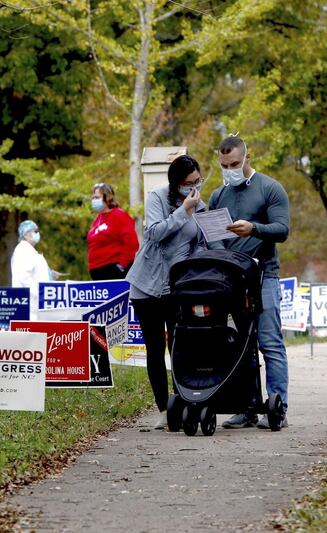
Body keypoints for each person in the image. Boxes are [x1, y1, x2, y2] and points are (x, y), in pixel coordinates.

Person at [208, 135, 290, 430]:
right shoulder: (219, 195)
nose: (229, 168)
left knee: (269, 341)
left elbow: (282, 230)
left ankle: (277, 406)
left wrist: (253, 228)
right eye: (224, 164)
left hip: (264, 275)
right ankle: (247, 407)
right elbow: (210, 234)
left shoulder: (269, 188)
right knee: (240, 346)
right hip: (231, 280)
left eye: (234, 163)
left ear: (247, 158)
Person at [126, 155, 206, 430]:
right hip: (148, 284)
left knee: (180, 345)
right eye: (188, 183)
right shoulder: (157, 197)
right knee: (155, 348)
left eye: (198, 181)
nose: (194, 187)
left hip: (177, 286)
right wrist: (184, 210)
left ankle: (183, 402)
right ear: (176, 183)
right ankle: (163, 409)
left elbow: (199, 241)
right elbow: (156, 232)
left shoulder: (200, 204)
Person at [87, 183, 139, 280]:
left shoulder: (119, 215)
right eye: (93, 198)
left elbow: (132, 243)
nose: (94, 200)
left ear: (107, 198)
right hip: (97, 271)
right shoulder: (98, 219)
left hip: (113, 271)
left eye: (97, 197)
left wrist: (122, 265)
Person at [11, 220, 52, 315]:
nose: (37, 234)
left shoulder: (29, 250)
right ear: (25, 235)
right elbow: (24, 277)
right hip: (30, 304)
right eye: (35, 231)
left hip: (33, 304)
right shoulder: (23, 250)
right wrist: (40, 294)